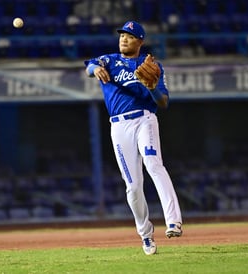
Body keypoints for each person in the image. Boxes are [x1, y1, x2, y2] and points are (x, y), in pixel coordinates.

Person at [84, 21, 182, 255]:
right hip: (118, 127)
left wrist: (153, 87)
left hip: (145, 120)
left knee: (153, 164)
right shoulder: (108, 60)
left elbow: (163, 102)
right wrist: (94, 69)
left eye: (129, 36)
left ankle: (174, 221)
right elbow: (90, 66)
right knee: (133, 187)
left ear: (140, 41)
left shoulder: (152, 66)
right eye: (122, 35)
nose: (124, 39)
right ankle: (145, 234)